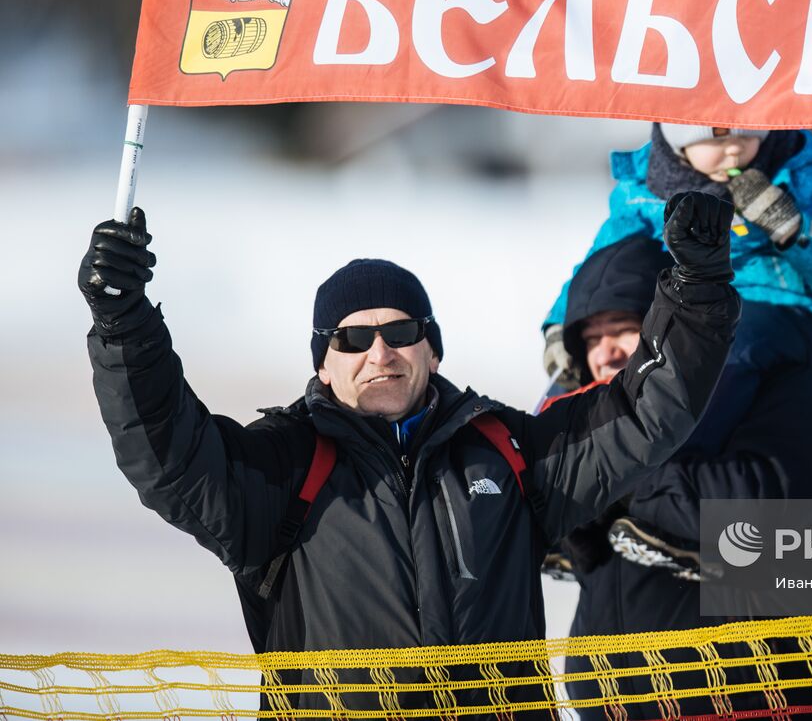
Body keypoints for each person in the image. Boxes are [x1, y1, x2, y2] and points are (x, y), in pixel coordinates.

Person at [77, 194, 740, 715]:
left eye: (399, 330)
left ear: (432, 346)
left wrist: (699, 288)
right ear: (324, 361)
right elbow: (172, 454)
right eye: (354, 336)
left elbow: (644, 412)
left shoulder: (507, 451)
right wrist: (123, 322)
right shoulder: (283, 465)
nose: (380, 350)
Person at [542, 234, 812, 719]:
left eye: (623, 329)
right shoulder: (592, 426)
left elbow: (754, 511)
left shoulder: (791, 390)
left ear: (672, 326)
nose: (605, 352)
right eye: (589, 339)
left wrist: (622, 479)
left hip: (760, 702)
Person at [542, 124, 812, 452]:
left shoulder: (797, 171)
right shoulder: (646, 186)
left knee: (715, 352)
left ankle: (681, 455)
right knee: (595, 357)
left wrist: (791, 227)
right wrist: (563, 322)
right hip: (694, 302)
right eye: (719, 138)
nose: (734, 150)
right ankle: (555, 452)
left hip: (785, 306)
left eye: (749, 135)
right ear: (679, 142)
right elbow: (603, 263)